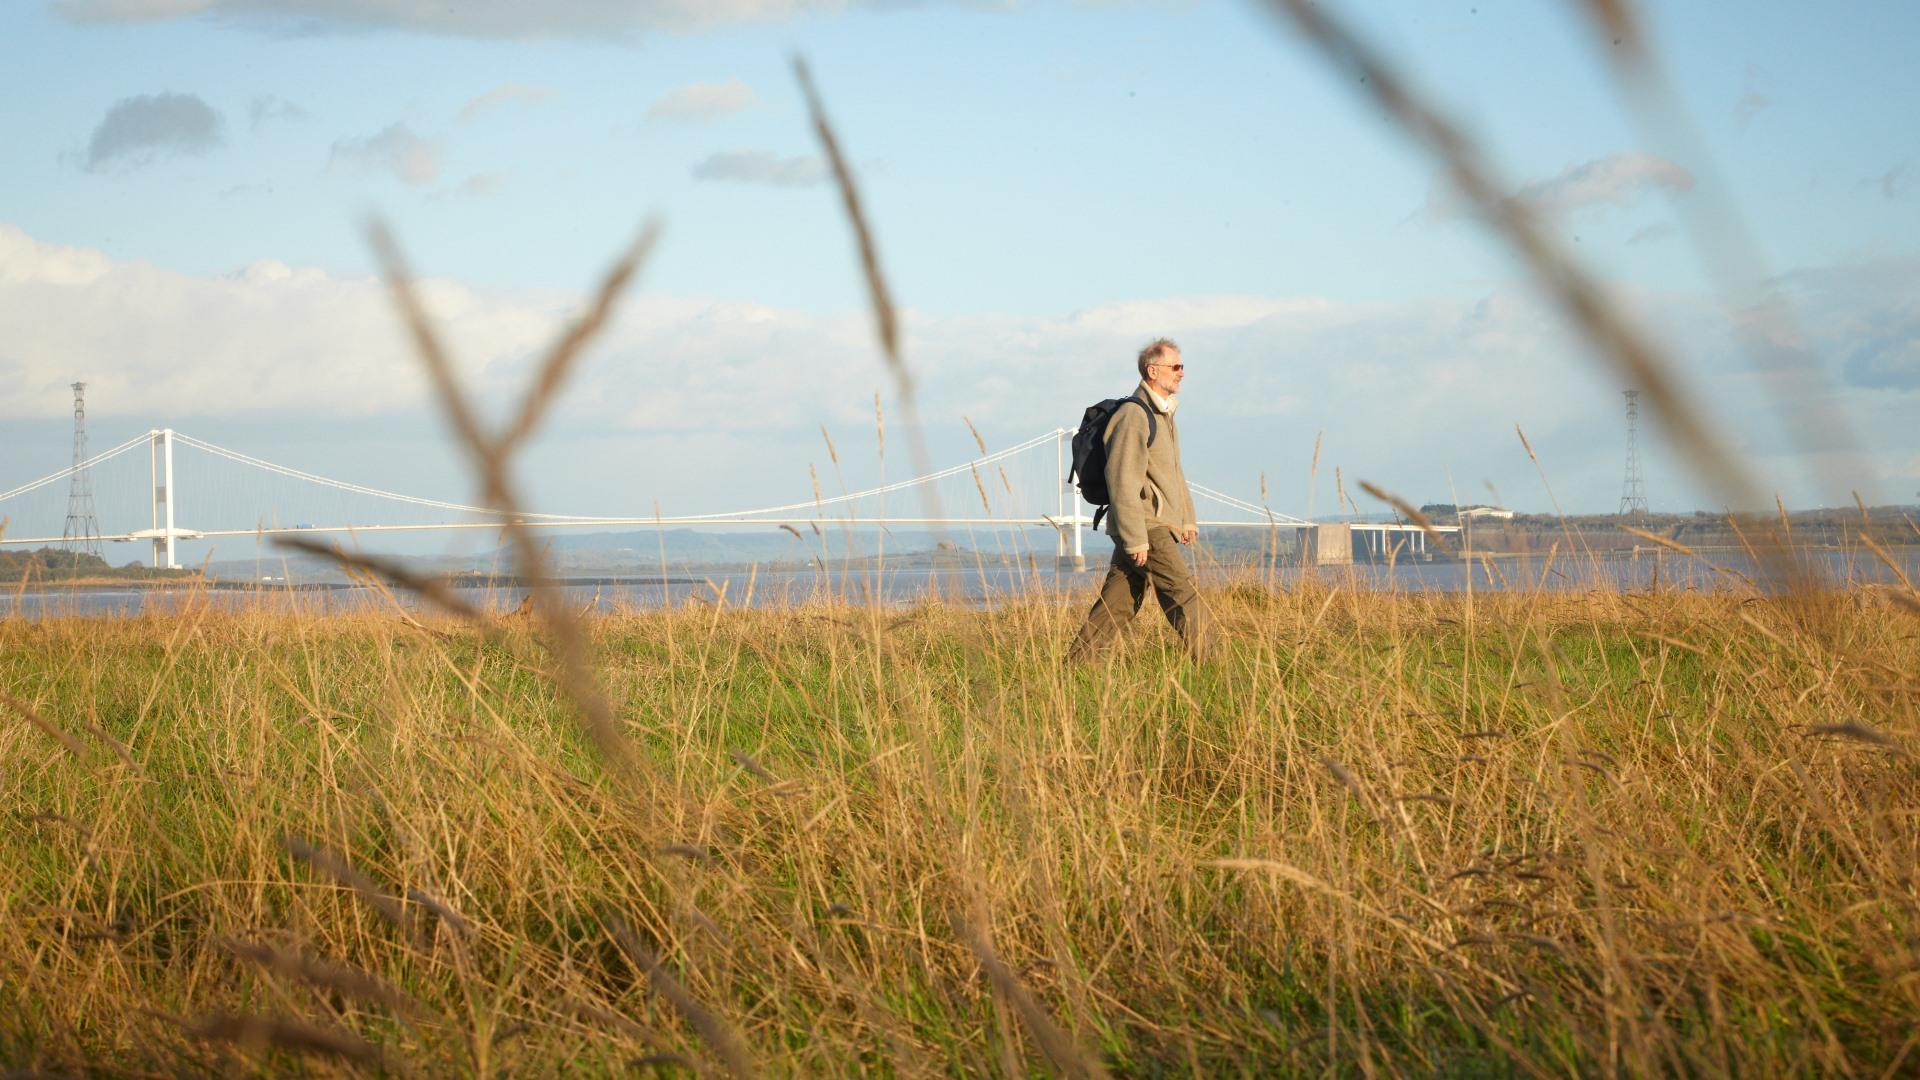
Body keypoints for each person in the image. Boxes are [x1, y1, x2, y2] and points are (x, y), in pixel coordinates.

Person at [1069, 338, 1217, 663]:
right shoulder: (1134, 415)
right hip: (1146, 528)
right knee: (1183, 597)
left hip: (1154, 524)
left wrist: (1185, 519)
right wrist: (1135, 538)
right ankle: (1216, 666)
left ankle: (1077, 667)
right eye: (1175, 367)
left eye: (1182, 366)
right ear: (1153, 371)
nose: (1181, 373)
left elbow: (1173, 474)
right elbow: (1122, 479)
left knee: (1118, 605)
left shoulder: (1162, 412)